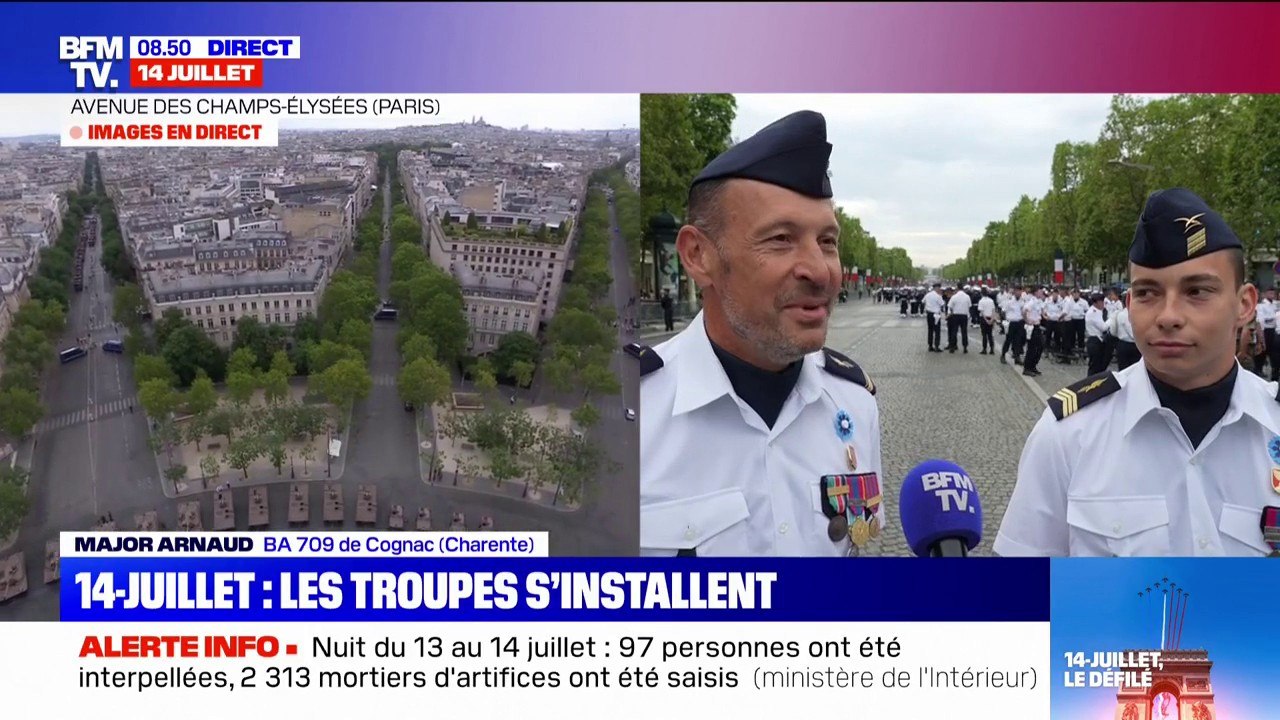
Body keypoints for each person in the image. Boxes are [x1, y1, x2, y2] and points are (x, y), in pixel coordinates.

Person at [637, 110, 882, 557]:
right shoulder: (633, 415)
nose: (820, 270)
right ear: (698, 255)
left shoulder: (855, 404)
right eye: (780, 239)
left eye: (828, 241)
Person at [996, 188, 1278, 557]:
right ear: (1129, 306)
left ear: (1244, 305)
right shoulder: (1069, 435)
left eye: (1197, 291)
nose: (1168, 316)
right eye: (1148, 293)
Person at [1110, 292, 1140, 370]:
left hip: (1122, 343)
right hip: (1132, 345)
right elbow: (1132, 333)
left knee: (1123, 368)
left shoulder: (1119, 314)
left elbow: (1113, 331)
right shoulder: (1130, 314)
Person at [1084, 292, 1110, 375]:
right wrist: (1112, 319)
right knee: (1094, 366)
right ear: (1096, 302)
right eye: (1101, 302)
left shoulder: (1098, 311)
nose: (1103, 304)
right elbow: (1103, 327)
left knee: (1099, 366)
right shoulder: (1093, 313)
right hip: (1094, 341)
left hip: (1099, 340)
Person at [946, 282, 971, 353]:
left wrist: (949, 314)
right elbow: (969, 306)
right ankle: (965, 347)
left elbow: (950, 306)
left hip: (956, 315)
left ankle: (952, 347)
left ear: (957, 288)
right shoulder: (967, 296)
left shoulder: (954, 296)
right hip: (964, 315)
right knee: (964, 332)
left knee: (954, 331)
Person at [923, 282, 944, 352]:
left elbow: (923, 301)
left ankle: (930, 345)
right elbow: (942, 304)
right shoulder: (938, 296)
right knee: (937, 330)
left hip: (929, 314)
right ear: (936, 288)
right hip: (936, 314)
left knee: (930, 330)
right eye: (939, 288)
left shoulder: (928, 295)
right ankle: (937, 346)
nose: (939, 289)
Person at [977, 289, 997, 354]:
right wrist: (992, 319)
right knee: (990, 334)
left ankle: (984, 349)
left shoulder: (981, 301)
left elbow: (982, 312)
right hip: (990, 317)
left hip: (983, 318)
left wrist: (986, 320)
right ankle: (992, 349)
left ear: (981, 294)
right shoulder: (991, 301)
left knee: (984, 335)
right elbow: (993, 310)